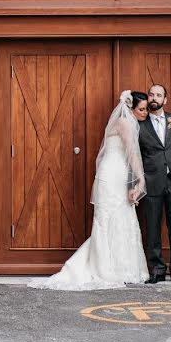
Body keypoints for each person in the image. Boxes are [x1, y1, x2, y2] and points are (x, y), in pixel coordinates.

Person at [29, 91, 150, 290]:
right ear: (129, 108)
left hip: (114, 173)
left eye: (145, 109)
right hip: (112, 175)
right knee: (109, 219)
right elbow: (132, 154)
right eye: (141, 109)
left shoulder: (125, 122)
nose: (145, 113)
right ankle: (106, 269)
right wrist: (141, 180)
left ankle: (122, 268)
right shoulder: (124, 123)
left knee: (120, 217)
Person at [138, 84, 171, 285]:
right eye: (151, 94)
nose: (154, 98)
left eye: (158, 95)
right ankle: (157, 270)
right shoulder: (140, 125)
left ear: (165, 100)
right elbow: (135, 155)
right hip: (152, 182)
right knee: (152, 227)